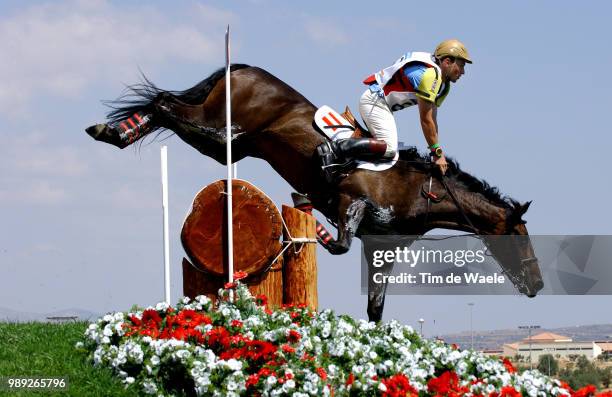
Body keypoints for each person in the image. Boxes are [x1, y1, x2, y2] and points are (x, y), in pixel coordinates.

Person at [329, 39, 472, 176]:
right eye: (461, 65)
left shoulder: (444, 85)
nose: (463, 72)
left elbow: (433, 120)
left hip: (381, 105)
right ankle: (337, 149)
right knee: (390, 149)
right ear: (447, 62)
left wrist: (437, 150)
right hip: (375, 102)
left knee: (393, 152)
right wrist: (437, 153)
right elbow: (426, 119)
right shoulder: (431, 77)